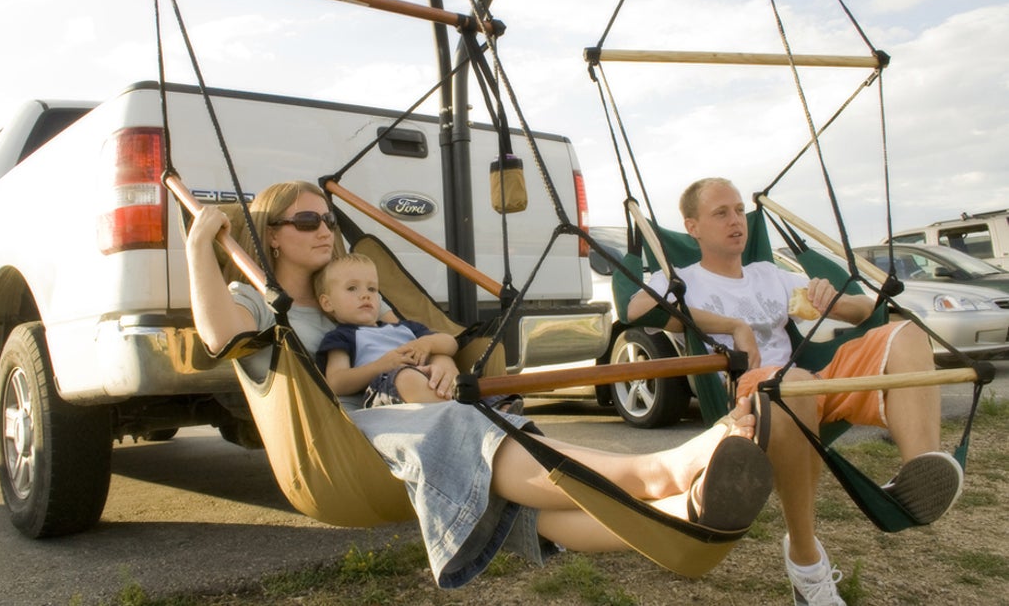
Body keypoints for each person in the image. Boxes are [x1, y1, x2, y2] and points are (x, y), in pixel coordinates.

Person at [186, 179, 774, 589]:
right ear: (273, 233)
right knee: (466, 428)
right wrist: (197, 251)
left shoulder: (357, 292)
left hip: (414, 424)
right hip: (347, 442)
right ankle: (660, 471)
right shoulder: (261, 304)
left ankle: (681, 514)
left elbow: (425, 340)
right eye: (308, 220)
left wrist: (439, 361)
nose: (324, 230)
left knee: (523, 504)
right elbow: (218, 335)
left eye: (328, 219)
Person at [626, 177, 964, 606]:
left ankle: (918, 472)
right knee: (794, 385)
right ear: (692, 228)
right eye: (721, 213)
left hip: (806, 381)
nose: (736, 221)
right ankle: (805, 558)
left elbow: (867, 311)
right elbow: (636, 310)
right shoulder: (681, 278)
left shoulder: (770, 275)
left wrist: (833, 301)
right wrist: (733, 326)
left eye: (738, 210)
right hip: (751, 395)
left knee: (906, 335)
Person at [314, 252, 523, 412]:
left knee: (476, 385)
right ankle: (472, 415)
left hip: (432, 385)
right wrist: (382, 365)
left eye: (372, 289)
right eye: (352, 289)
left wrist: (427, 345)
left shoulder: (405, 328)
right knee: (406, 377)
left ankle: (497, 413)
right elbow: (337, 381)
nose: (365, 296)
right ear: (327, 302)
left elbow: (450, 343)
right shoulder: (342, 336)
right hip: (387, 390)